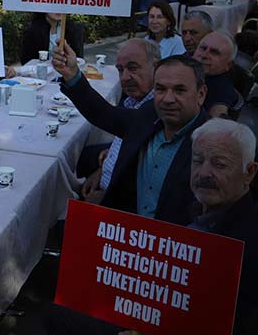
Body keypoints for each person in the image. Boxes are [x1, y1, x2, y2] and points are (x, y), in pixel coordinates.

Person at [48, 119, 258, 335]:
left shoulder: (255, 247)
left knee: (61, 313)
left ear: (249, 173)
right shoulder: (200, 207)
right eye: (198, 161)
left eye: (219, 164)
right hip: (149, 312)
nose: (204, 172)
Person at [52, 46, 208, 225]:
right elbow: (105, 115)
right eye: (160, 89)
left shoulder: (211, 144)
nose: (168, 99)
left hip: (173, 244)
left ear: (201, 94)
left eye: (179, 90)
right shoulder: (149, 114)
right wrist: (72, 74)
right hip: (123, 232)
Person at [80, 39, 159, 203]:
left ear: (156, 67)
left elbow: (103, 113)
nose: (125, 77)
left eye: (133, 68)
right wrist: (103, 169)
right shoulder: (134, 101)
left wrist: (106, 198)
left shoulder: (158, 110)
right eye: (120, 70)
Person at [193, 31, 238, 118]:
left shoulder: (222, 90)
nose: (204, 55)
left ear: (228, 65)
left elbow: (216, 122)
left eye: (214, 52)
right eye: (203, 48)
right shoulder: (190, 68)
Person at [20, 12, 84, 65]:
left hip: (66, 75)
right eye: (54, 6)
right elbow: (26, 62)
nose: (58, 10)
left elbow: (78, 58)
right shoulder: (33, 30)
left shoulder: (72, 28)